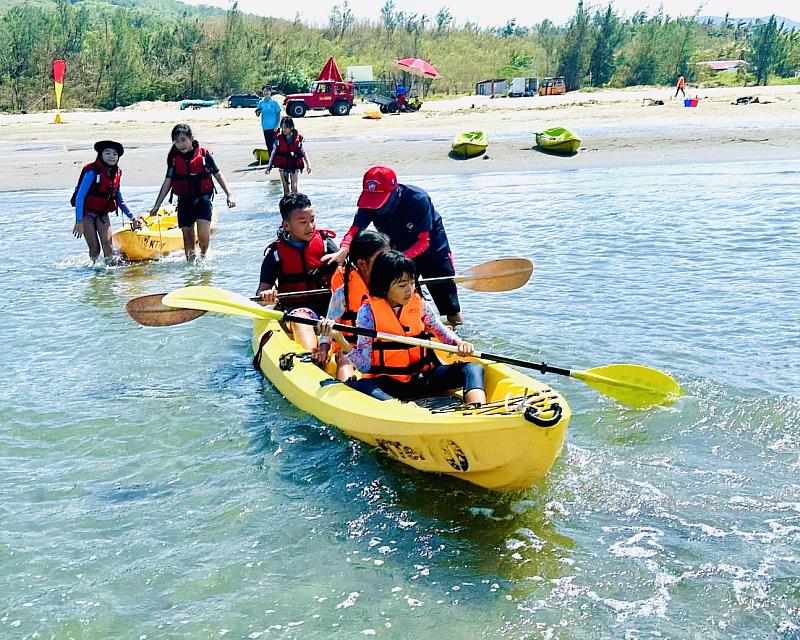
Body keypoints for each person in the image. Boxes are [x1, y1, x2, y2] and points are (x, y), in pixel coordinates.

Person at [318, 250, 486, 405]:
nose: (409, 290)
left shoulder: (420, 305)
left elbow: (442, 332)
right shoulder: (368, 313)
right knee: (362, 386)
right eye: (402, 285)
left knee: (473, 368)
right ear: (385, 287)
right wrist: (339, 338)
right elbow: (364, 366)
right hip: (390, 384)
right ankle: (403, 412)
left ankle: (476, 409)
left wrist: (459, 343)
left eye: (412, 283)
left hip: (423, 377)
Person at [323, 166, 463, 325]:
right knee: (399, 301)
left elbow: (424, 241)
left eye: (380, 201)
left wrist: (394, 260)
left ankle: (458, 335)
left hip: (433, 252)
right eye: (372, 200)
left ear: (394, 191)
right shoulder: (369, 203)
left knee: (450, 306)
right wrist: (344, 249)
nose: (376, 206)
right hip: (397, 251)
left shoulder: (417, 199)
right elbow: (354, 231)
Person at [257, 193, 338, 352]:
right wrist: (267, 296)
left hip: (330, 309)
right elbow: (260, 296)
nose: (310, 226)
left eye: (312, 220)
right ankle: (311, 357)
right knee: (301, 319)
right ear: (287, 225)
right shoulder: (275, 255)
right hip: (297, 311)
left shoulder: (326, 245)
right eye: (303, 222)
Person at [148, 124, 236, 261]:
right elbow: (167, 182)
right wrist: (156, 206)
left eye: (183, 140)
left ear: (191, 139)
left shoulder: (204, 155)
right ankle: (191, 270)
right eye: (176, 141)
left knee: (203, 238)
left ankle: (204, 256)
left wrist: (229, 194)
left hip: (203, 201)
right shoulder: (173, 158)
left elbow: (218, 175)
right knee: (188, 239)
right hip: (184, 202)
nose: (180, 144)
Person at [316, 230, 390, 381]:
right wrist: (323, 349)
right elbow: (331, 323)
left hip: (385, 349)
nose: (388, 262)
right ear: (362, 263)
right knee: (344, 360)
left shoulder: (392, 286)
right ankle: (348, 386)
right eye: (382, 258)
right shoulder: (344, 293)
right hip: (351, 348)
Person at [71, 140, 141, 263]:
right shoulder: (92, 171)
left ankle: (108, 274)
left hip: (102, 213)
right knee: (95, 249)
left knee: (108, 246)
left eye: (115, 154)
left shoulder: (117, 173)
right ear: (101, 155)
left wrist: (132, 217)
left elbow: (118, 198)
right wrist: (79, 221)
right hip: (87, 214)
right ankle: (96, 274)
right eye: (107, 153)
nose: (111, 157)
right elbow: (80, 197)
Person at [265, 116, 311, 198]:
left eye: (286, 127)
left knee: (294, 187)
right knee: (286, 189)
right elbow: (273, 153)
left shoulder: (298, 138)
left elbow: (303, 152)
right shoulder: (278, 139)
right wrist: (269, 166)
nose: (284, 130)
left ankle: (296, 207)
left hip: (294, 165)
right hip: (283, 166)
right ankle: (287, 208)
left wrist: (308, 164)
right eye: (282, 127)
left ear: (292, 127)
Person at [255, 85, 282, 153]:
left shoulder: (274, 102)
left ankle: (278, 162)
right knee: (269, 146)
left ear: (270, 92)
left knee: (276, 145)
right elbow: (258, 114)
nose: (265, 93)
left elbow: (279, 114)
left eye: (267, 91)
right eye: (264, 91)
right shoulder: (261, 102)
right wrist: (257, 112)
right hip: (266, 127)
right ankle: (271, 162)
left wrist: (277, 126)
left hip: (275, 127)